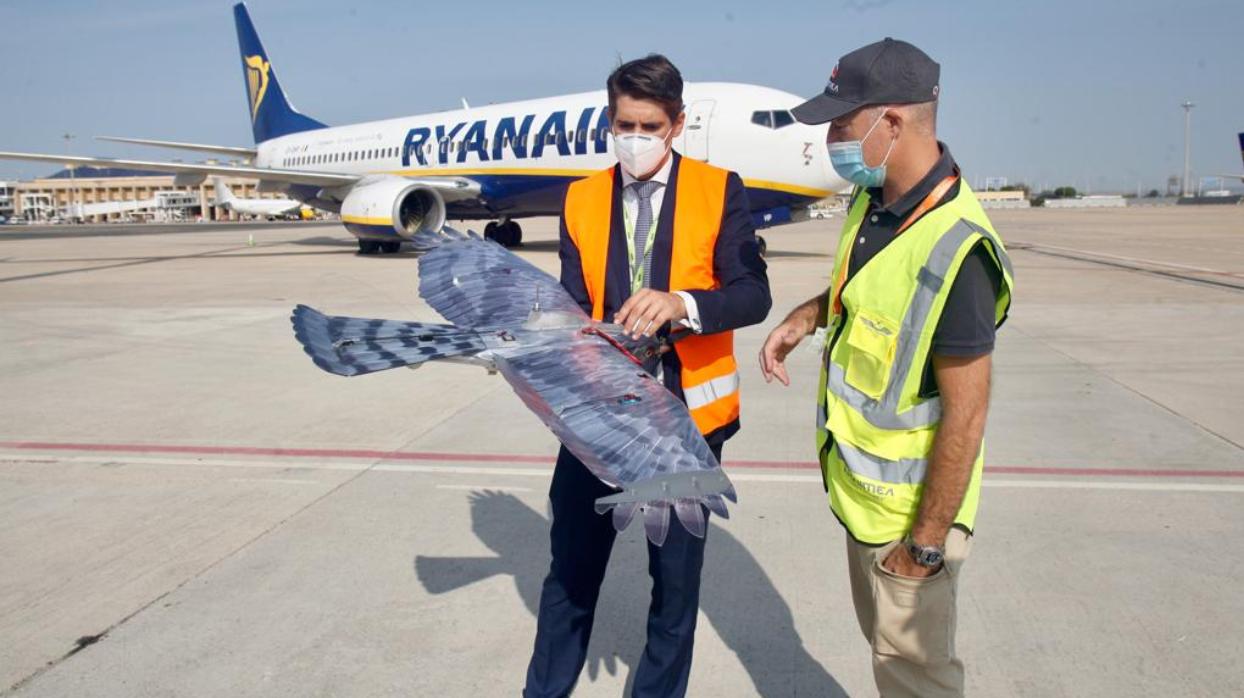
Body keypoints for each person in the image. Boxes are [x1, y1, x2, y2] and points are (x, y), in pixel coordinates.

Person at [759, 38, 1015, 697]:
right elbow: (864, 293)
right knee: (888, 662)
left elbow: (968, 412)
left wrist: (924, 549)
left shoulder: (958, 252)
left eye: (842, 123)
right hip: (866, 508)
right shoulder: (873, 206)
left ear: (891, 122)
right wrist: (807, 315)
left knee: (916, 678)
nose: (831, 139)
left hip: (910, 524)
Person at [523, 54, 771, 698]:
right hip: (598, 415)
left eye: (649, 125)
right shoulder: (580, 197)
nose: (635, 137)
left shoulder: (721, 190)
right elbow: (571, 301)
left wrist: (683, 304)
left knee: (675, 588)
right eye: (623, 123)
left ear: (677, 124)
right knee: (570, 574)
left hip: (686, 421)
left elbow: (752, 295)